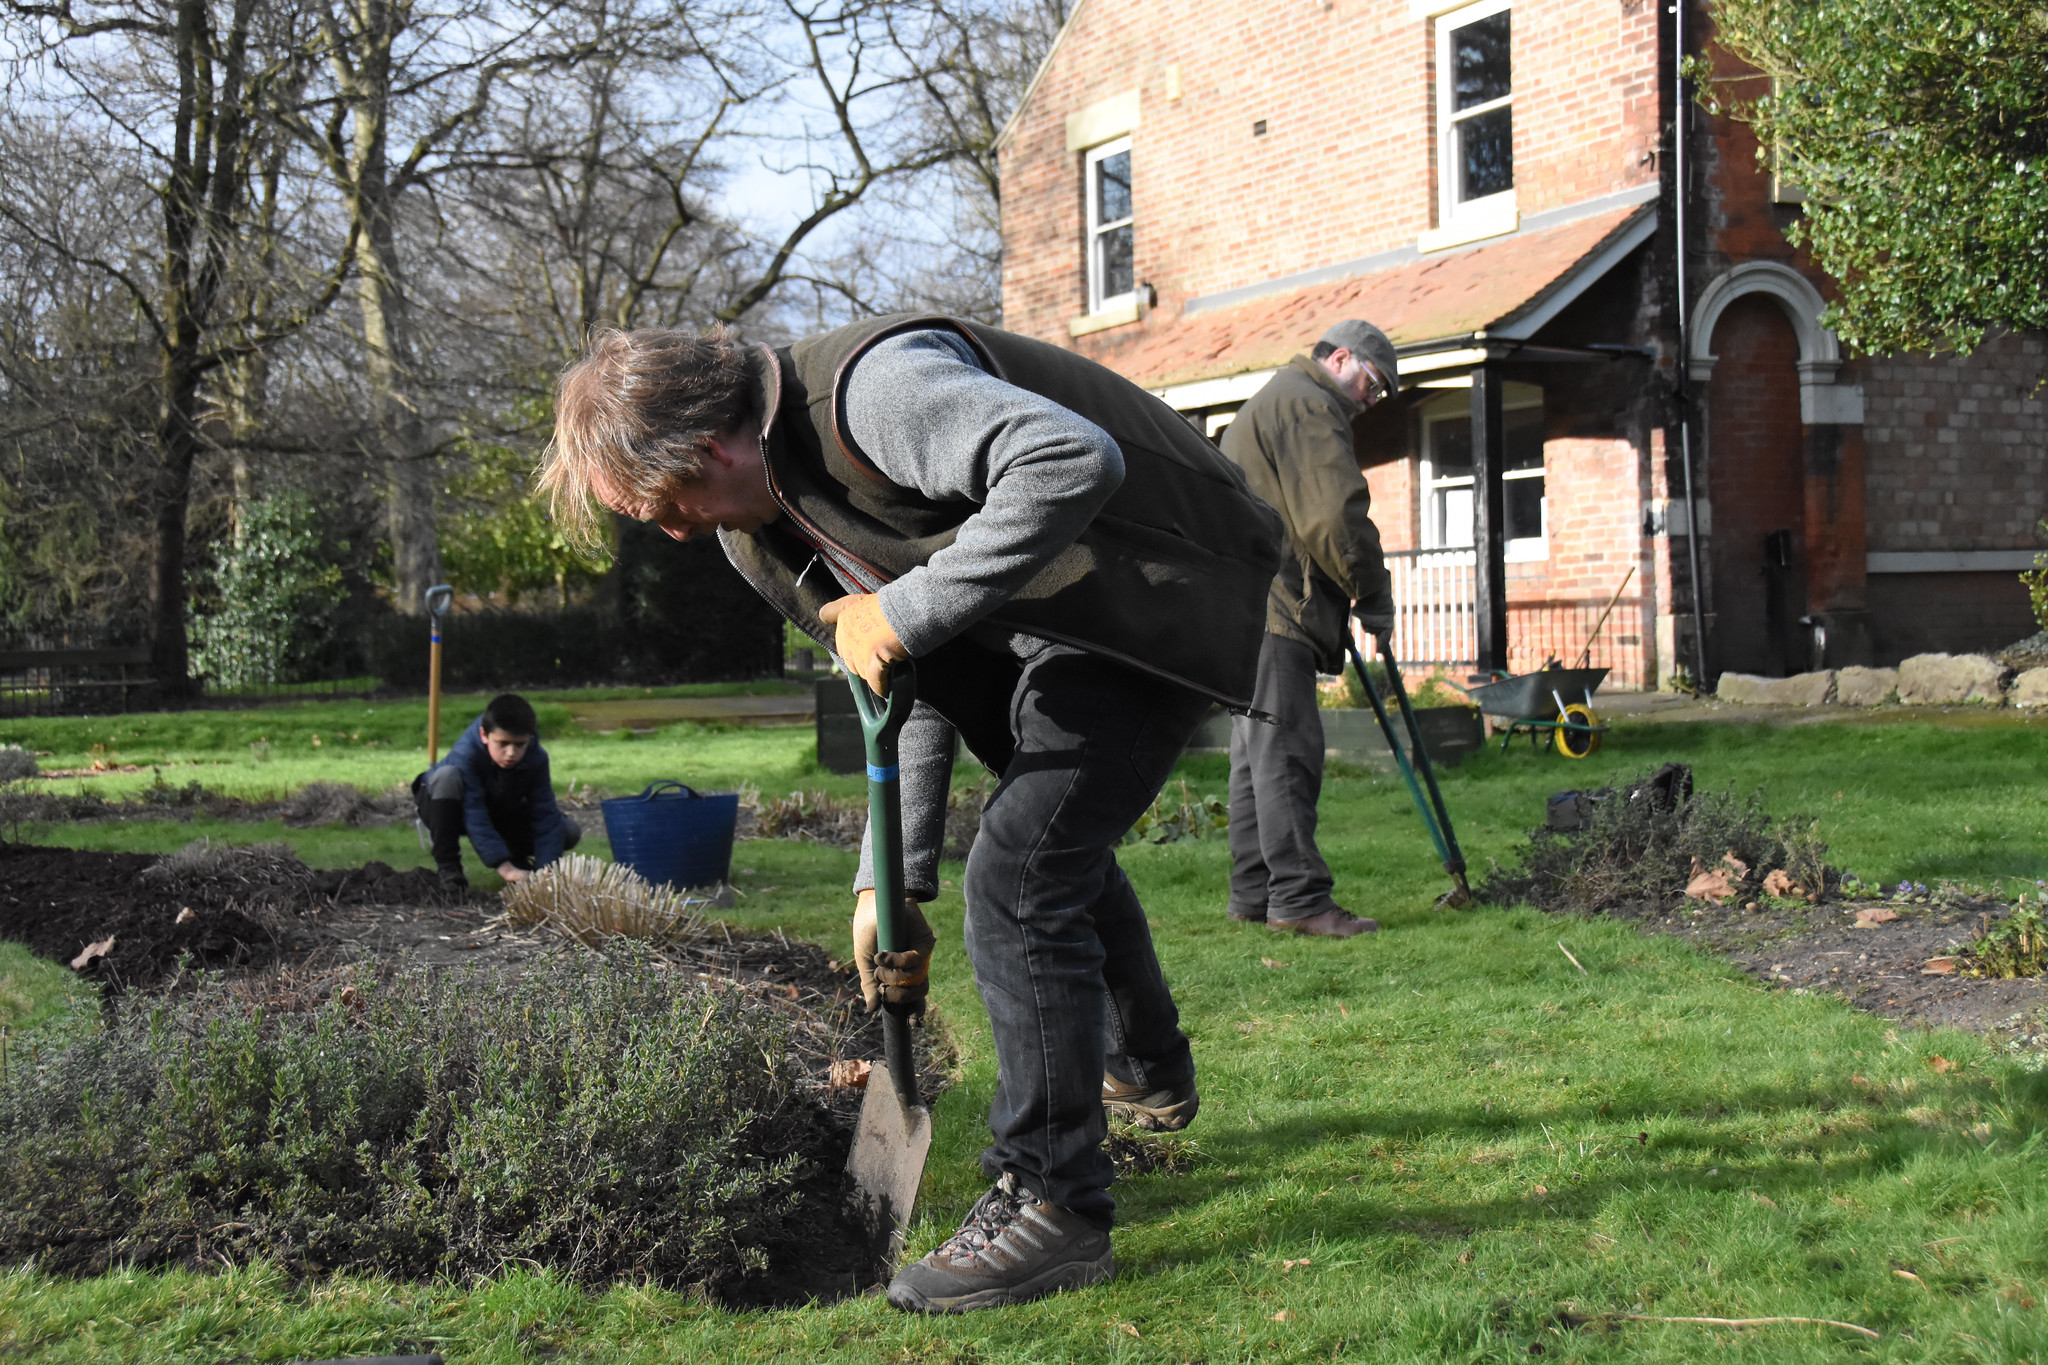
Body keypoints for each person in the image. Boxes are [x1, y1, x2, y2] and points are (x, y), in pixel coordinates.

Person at [539, 315, 1281, 1313]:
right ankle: (1143, 1067)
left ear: (713, 445)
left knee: (1022, 871)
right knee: (1046, 844)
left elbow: (1068, 461)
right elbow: (899, 678)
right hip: (1048, 617)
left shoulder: (871, 396)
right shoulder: (755, 536)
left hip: (1157, 580)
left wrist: (900, 611)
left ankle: (1053, 1204)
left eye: (669, 503)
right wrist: (882, 881)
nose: (673, 531)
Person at [1216, 320, 1399, 938]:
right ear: (1340, 358)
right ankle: (1299, 902)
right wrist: (1371, 592)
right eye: (1373, 384)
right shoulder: (1309, 404)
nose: (1372, 401)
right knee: (1289, 753)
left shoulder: (1275, 398)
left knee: (1255, 758)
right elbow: (1334, 517)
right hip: (1278, 608)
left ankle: (1255, 895)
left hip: (1245, 606)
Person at [413, 692, 579, 888]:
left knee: (567, 831)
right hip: (447, 808)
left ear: (530, 738)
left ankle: (518, 858)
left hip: (498, 810)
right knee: (447, 776)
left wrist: (547, 872)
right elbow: (474, 814)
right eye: (503, 744)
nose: (511, 753)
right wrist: (504, 869)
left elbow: (545, 814)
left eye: (520, 745)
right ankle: (449, 869)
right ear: (484, 735)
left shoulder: (537, 758)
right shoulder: (466, 755)